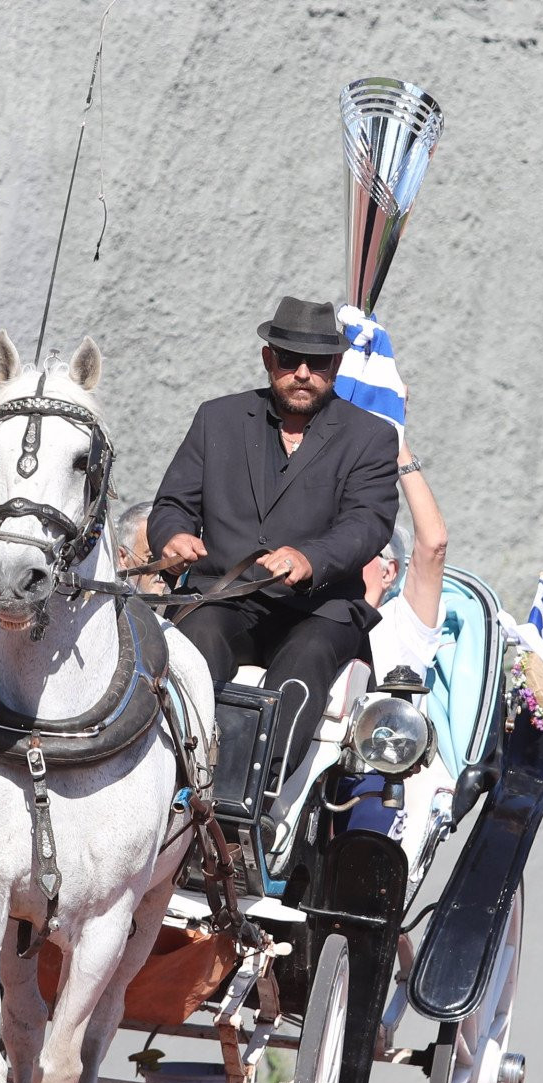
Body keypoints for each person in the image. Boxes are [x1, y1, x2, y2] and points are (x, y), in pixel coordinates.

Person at [149, 296, 400, 769]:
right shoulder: (216, 418)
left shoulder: (370, 436)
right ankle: (176, 781)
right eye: (289, 359)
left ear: (337, 364)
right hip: (224, 596)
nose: (302, 372)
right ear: (269, 359)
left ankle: (254, 798)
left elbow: (368, 521)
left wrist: (311, 558)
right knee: (194, 640)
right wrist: (173, 535)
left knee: (304, 662)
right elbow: (173, 505)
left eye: (318, 362)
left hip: (318, 608)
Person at [362, 433, 448, 680]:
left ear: (388, 571)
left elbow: (434, 546)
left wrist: (393, 436)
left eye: (360, 550)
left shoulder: (401, 623)